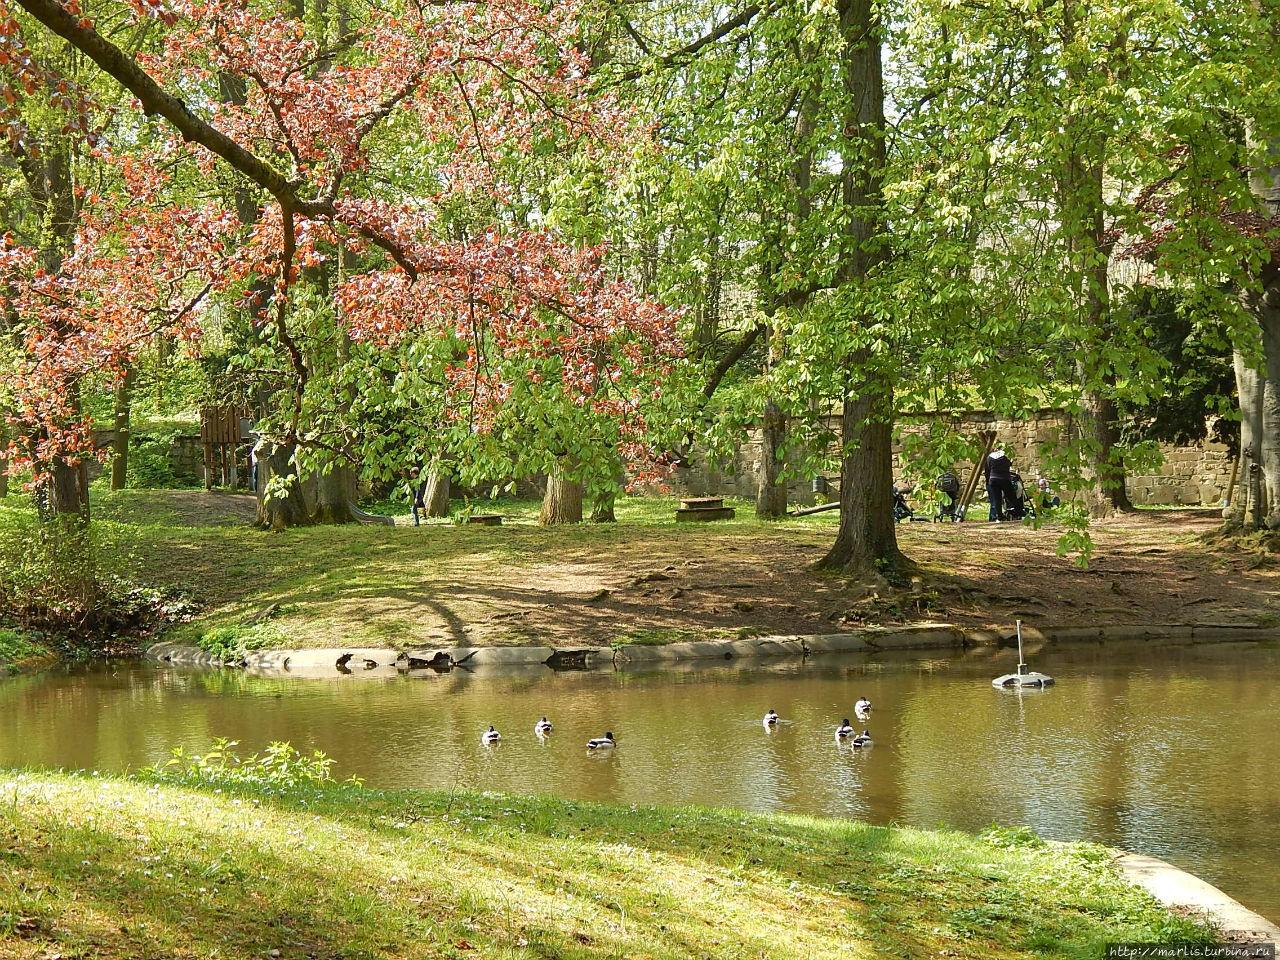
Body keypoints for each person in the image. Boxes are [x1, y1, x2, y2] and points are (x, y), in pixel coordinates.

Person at [984, 447, 1020, 522]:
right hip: (1004, 479)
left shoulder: (989, 457)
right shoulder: (1004, 457)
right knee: (1012, 497)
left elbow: (987, 470)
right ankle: (1020, 513)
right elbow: (1009, 464)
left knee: (997, 499)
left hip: (993, 479)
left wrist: (988, 481)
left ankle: (999, 517)